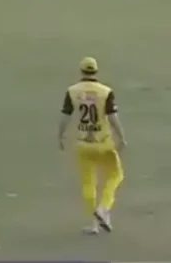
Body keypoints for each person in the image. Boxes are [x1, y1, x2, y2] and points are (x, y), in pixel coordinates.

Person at [58, 57, 126, 234]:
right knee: (116, 175)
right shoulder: (105, 92)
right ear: (96, 71)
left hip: (84, 144)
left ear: (81, 71)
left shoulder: (73, 91)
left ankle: (94, 225)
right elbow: (112, 117)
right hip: (103, 143)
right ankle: (104, 208)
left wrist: (60, 135)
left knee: (89, 182)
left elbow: (66, 115)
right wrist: (121, 137)